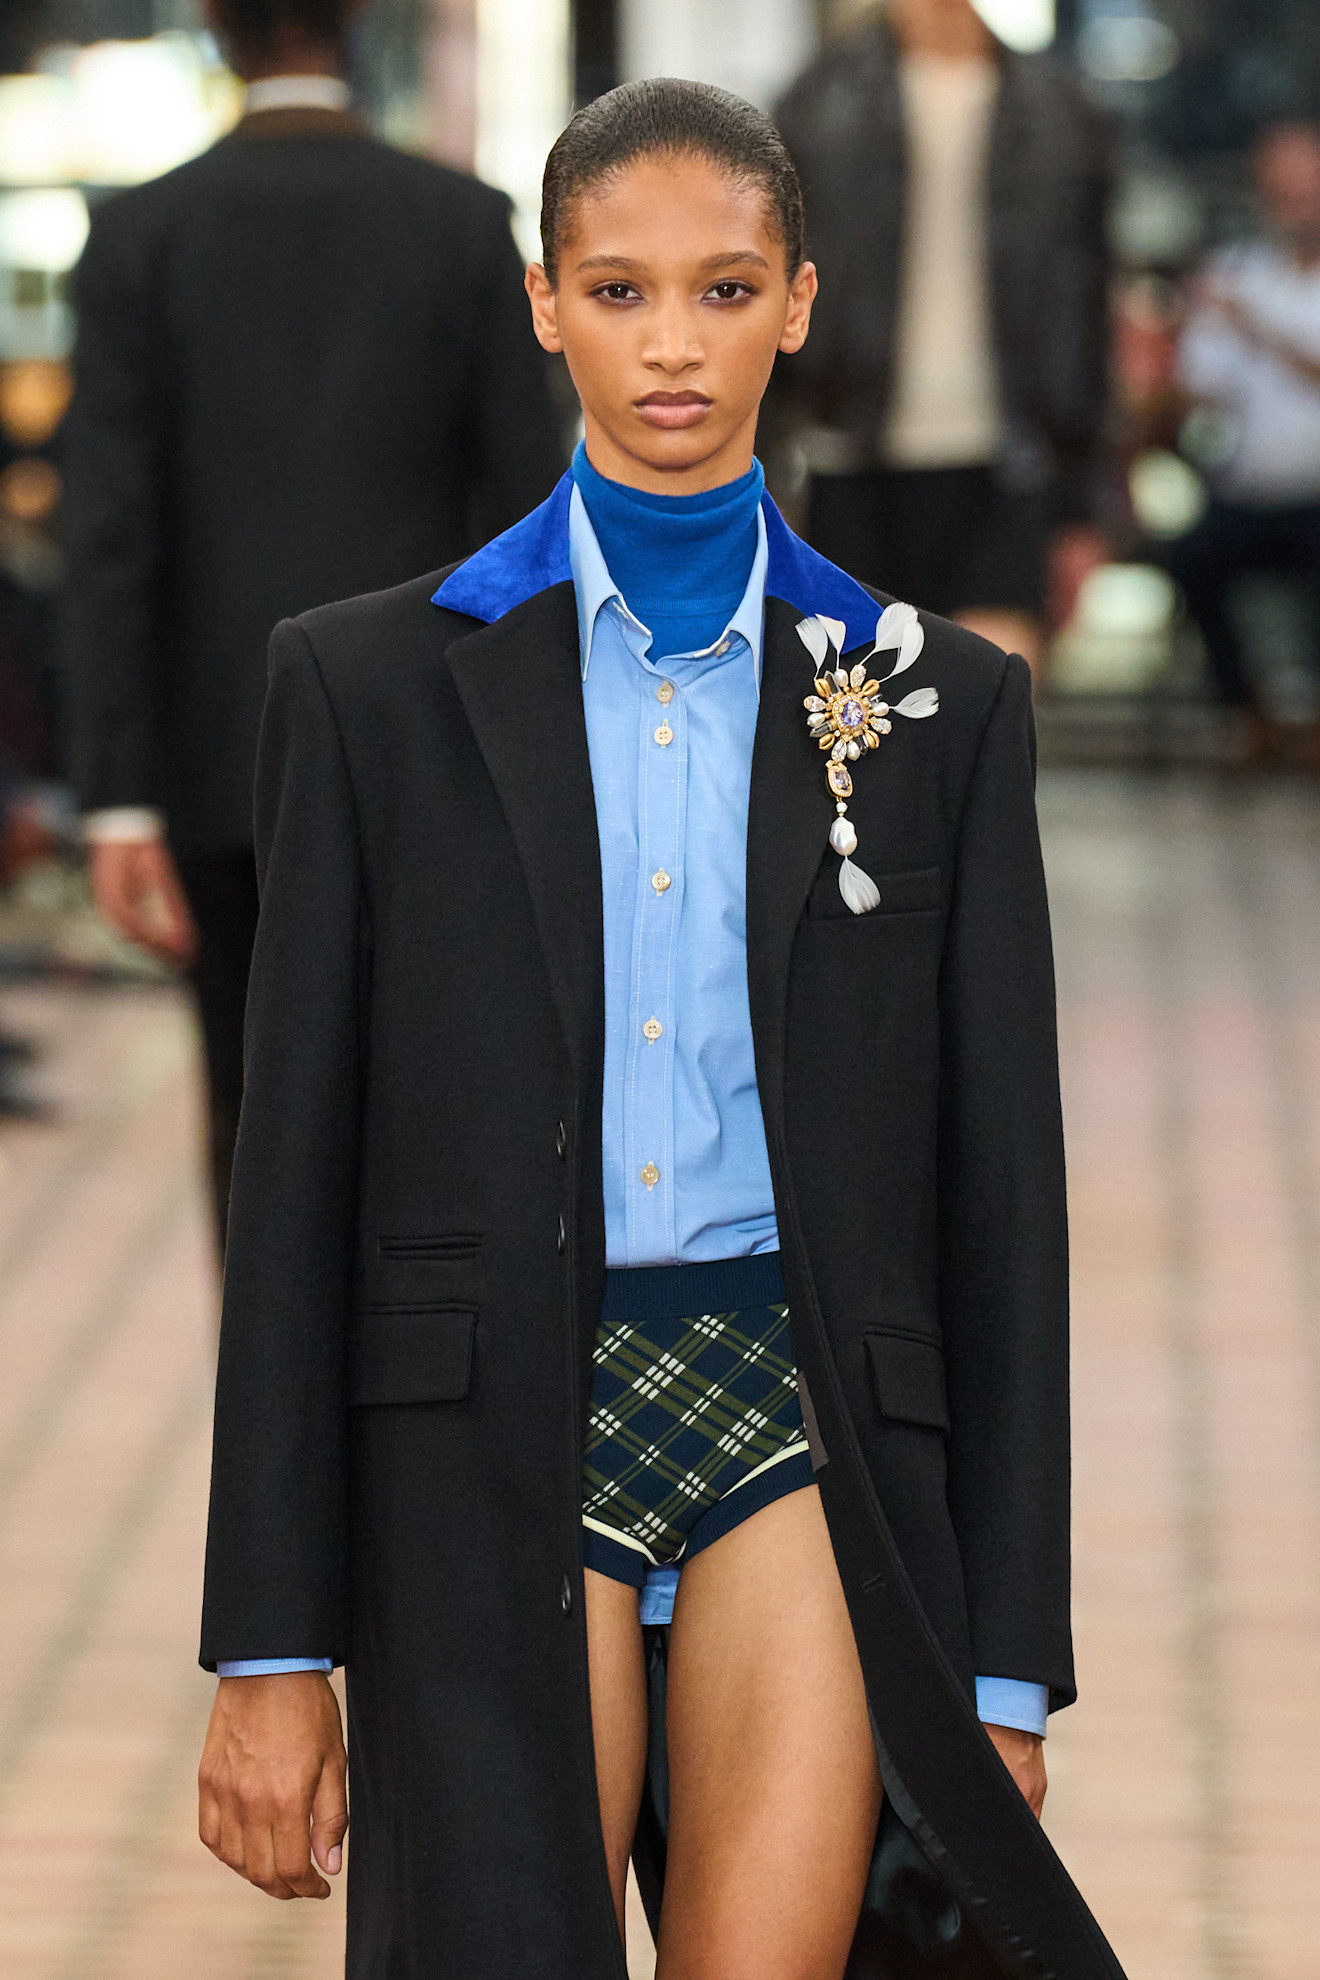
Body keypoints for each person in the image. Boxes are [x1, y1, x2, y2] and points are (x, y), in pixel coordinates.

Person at [196, 79, 1126, 1980]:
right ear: (545, 304)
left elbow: (998, 1197)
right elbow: (294, 1176)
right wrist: (271, 1649)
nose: (674, 345)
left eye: (723, 289)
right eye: (620, 292)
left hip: (798, 1418)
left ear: (801, 301)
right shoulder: (368, 691)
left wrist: (1011, 1659)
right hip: (480, 1433)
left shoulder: (937, 706)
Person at [61, 0, 564, 1246]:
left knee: (250, 1096)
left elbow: (110, 533)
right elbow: (526, 513)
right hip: (432, 746)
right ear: (358, 34)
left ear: (221, 33)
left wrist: (118, 794)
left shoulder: (138, 235)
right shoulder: (460, 227)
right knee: (433, 1088)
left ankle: (269, 1405)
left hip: (216, 748)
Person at [774, 0, 1114, 670]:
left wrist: (1083, 508)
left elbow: (1085, 309)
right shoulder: (820, 98)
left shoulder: (1058, 110)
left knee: (991, 714)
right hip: (851, 448)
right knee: (860, 724)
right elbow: (774, 280)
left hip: (1007, 450)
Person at [1168, 121, 1320, 767]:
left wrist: (1256, 326)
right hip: (1250, 492)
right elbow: (1200, 387)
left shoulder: (1245, 299)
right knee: (1192, 559)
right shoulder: (1232, 272)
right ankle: (1246, 712)